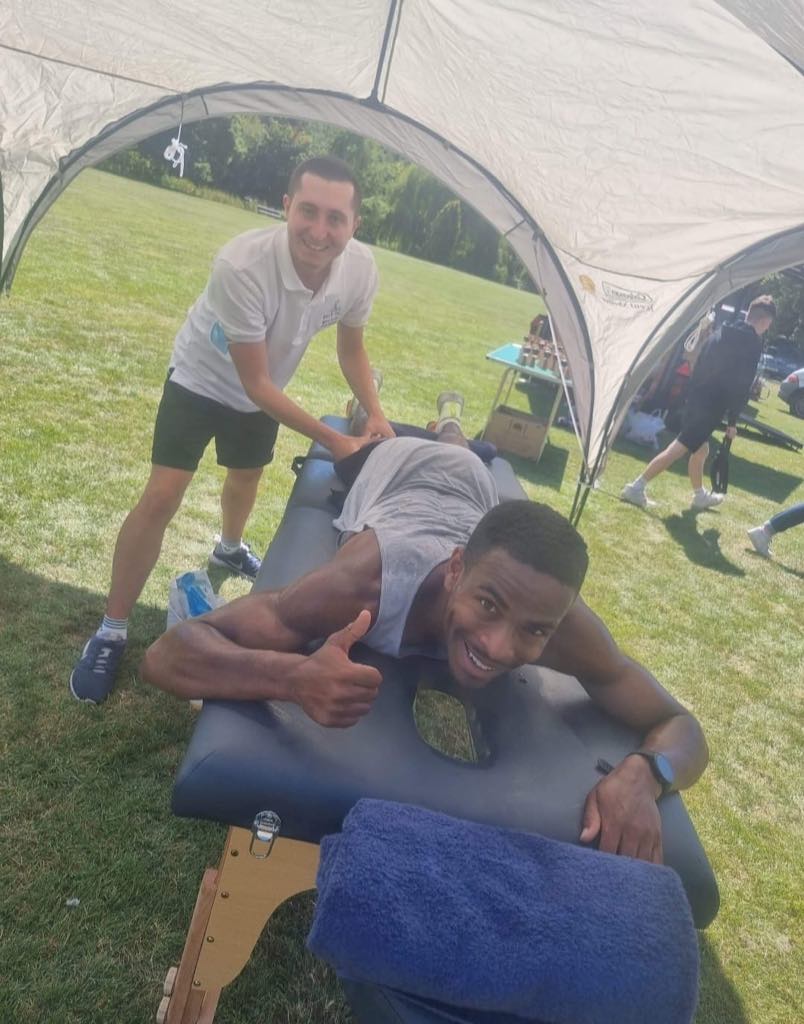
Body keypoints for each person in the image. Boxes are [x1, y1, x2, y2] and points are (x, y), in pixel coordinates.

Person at [141, 433, 709, 864]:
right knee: (361, 446)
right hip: (392, 467)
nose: (499, 646)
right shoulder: (363, 585)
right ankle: (412, 427)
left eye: (534, 631)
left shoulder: (560, 625)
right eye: (488, 605)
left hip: (470, 482)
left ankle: (453, 428)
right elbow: (167, 654)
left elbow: (682, 726)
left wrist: (646, 772)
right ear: (457, 569)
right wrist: (290, 677)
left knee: (460, 449)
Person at [70, 155, 393, 704]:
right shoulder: (241, 266)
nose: (319, 231)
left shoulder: (360, 268)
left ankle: (230, 547)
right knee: (163, 495)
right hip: (201, 379)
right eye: (308, 211)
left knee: (245, 479)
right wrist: (337, 441)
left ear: (354, 224)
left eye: (335, 218)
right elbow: (256, 385)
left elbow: (351, 348)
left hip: (262, 389)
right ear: (287, 207)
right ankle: (111, 631)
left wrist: (376, 412)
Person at [621, 295, 776, 511]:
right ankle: (636, 487)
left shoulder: (722, 330)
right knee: (678, 449)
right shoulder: (752, 344)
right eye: (769, 324)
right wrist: (733, 422)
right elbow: (740, 384)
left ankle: (699, 495)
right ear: (764, 321)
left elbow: (700, 362)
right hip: (710, 407)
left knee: (701, 449)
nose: (768, 328)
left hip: (695, 397)